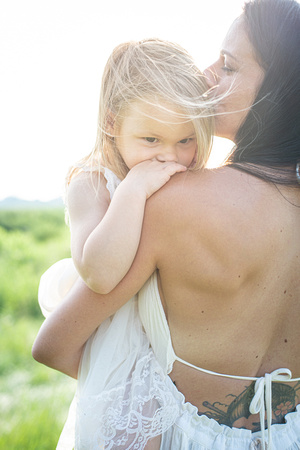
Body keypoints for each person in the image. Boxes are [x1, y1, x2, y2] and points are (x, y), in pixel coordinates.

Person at [32, 0, 300, 448]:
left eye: (229, 66)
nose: (206, 73)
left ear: (282, 88)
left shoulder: (172, 202)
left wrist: (142, 392)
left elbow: (54, 345)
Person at [36, 37, 214, 449]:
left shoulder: (190, 180)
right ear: (113, 124)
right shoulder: (94, 184)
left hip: (181, 355)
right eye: (151, 140)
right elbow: (99, 273)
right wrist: (133, 190)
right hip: (126, 360)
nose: (170, 157)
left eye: (185, 140)